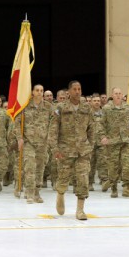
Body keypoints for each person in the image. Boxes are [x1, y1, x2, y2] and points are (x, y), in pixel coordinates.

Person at [49, 81, 94, 220]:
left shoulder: (87, 108)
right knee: (63, 178)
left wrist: (90, 145)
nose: (77, 91)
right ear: (69, 92)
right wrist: (54, 148)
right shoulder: (60, 108)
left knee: (83, 179)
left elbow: (92, 128)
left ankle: (80, 210)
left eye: (79, 89)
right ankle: (60, 195)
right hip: (65, 150)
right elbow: (53, 130)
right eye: (74, 89)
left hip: (83, 150)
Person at [14, 84, 52, 204]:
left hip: (43, 142)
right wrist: (19, 138)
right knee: (29, 167)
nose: (40, 92)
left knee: (40, 168)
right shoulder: (25, 106)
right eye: (37, 90)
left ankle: (37, 192)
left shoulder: (48, 107)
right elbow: (17, 122)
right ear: (33, 92)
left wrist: (50, 137)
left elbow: (54, 123)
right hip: (28, 142)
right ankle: (29, 192)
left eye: (42, 90)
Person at [98, 87, 129, 198]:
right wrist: (102, 137)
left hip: (126, 140)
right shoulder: (106, 108)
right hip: (112, 141)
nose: (118, 95)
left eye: (120, 93)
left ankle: (127, 188)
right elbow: (101, 124)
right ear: (112, 95)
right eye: (116, 93)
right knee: (113, 166)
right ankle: (114, 187)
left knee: (127, 165)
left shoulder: (128, 108)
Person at [88, 95, 107, 191]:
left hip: (101, 142)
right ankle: (89, 183)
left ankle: (104, 181)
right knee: (90, 163)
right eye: (94, 100)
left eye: (98, 101)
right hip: (90, 142)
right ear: (91, 102)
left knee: (103, 162)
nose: (96, 102)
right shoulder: (87, 113)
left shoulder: (105, 113)